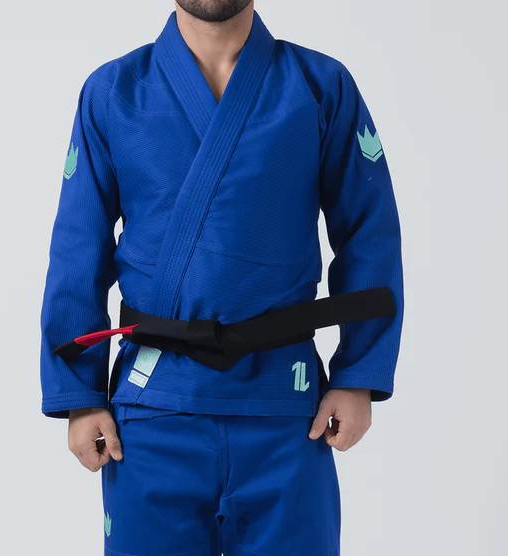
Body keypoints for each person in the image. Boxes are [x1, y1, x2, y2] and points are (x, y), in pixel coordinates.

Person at [39, 1, 404, 555]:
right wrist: (80, 394)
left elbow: (369, 230)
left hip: (287, 407)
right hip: (153, 410)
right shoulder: (113, 92)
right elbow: (76, 247)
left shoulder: (320, 86)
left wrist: (357, 374)